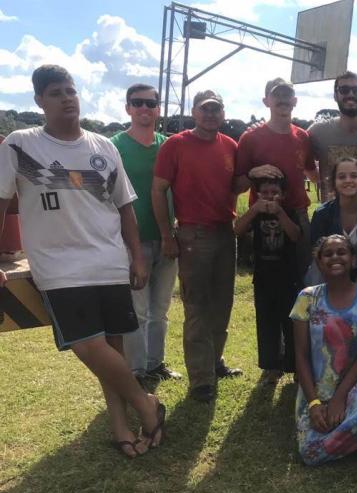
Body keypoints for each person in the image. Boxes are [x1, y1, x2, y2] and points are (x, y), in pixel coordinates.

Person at [0, 65, 165, 458]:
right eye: (56, 93)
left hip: (109, 261)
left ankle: (120, 425)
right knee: (88, 345)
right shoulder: (20, 145)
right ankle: (147, 406)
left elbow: (125, 207)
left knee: (114, 351)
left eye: (70, 91)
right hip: (57, 267)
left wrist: (136, 258)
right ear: (40, 101)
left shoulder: (102, 147)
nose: (67, 98)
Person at [152, 89, 243, 403]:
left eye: (216, 109)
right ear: (194, 112)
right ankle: (201, 381)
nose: (211, 114)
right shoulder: (175, 145)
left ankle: (214, 362)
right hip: (193, 236)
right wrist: (167, 235)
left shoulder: (230, 146)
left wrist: (258, 173)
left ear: (223, 113)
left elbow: (235, 185)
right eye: (205, 109)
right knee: (197, 308)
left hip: (225, 233)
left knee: (222, 304)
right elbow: (158, 190)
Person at [290, 234, 357, 465]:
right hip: (317, 385)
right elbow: (301, 354)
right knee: (309, 449)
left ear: (353, 259)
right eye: (328, 254)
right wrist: (314, 402)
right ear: (319, 262)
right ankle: (345, 434)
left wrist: (340, 397)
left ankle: (334, 437)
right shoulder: (307, 298)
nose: (335, 257)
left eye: (341, 252)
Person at [111, 83, 182, 390]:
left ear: (158, 109)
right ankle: (136, 370)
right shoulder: (113, 146)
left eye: (150, 103)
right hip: (132, 242)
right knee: (137, 311)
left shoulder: (168, 145)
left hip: (167, 238)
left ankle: (156, 363)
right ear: (127, 108)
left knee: (160, 310)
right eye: (137, 102)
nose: (143, 108)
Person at [235, 77, 316, 275]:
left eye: (287, 95)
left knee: (301, 276)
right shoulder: (250, 138)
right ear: (266, 101)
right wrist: (252, 173)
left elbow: (314, 175)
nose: (283, 100)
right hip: (264, 216)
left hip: (297, 215)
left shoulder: (303, 137)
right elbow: (237, 186)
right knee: (267, 279)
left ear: (295, 100)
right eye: (276, 95)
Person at [233, 173, 303, 385]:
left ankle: (295, 366)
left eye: (275, 193)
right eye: (265, 193)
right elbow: (237, 230)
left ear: (283, 195)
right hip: (263, 276)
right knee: (266, 322)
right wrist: (254, 209)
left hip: (288, 276)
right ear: (257, 194)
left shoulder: (290, 212)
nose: (270, 197)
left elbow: (295, 235)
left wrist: (280, 213)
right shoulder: (255, 214)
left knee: (290, 322)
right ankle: (271, 367)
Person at [308, 71, 357, 200]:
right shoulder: (317, 132)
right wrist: (320, 181)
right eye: (344, 90)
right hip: (330, 216)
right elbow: (301, 162)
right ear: (335, 95)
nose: (350, 94)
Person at [309, 157, 357, 285]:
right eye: (342, 177)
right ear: (334, 182)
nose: (348, 180)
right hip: (327, 275)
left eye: (354, 176)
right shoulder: (322, 214)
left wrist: (356, 288)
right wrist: (335, 286)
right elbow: (318, 257)